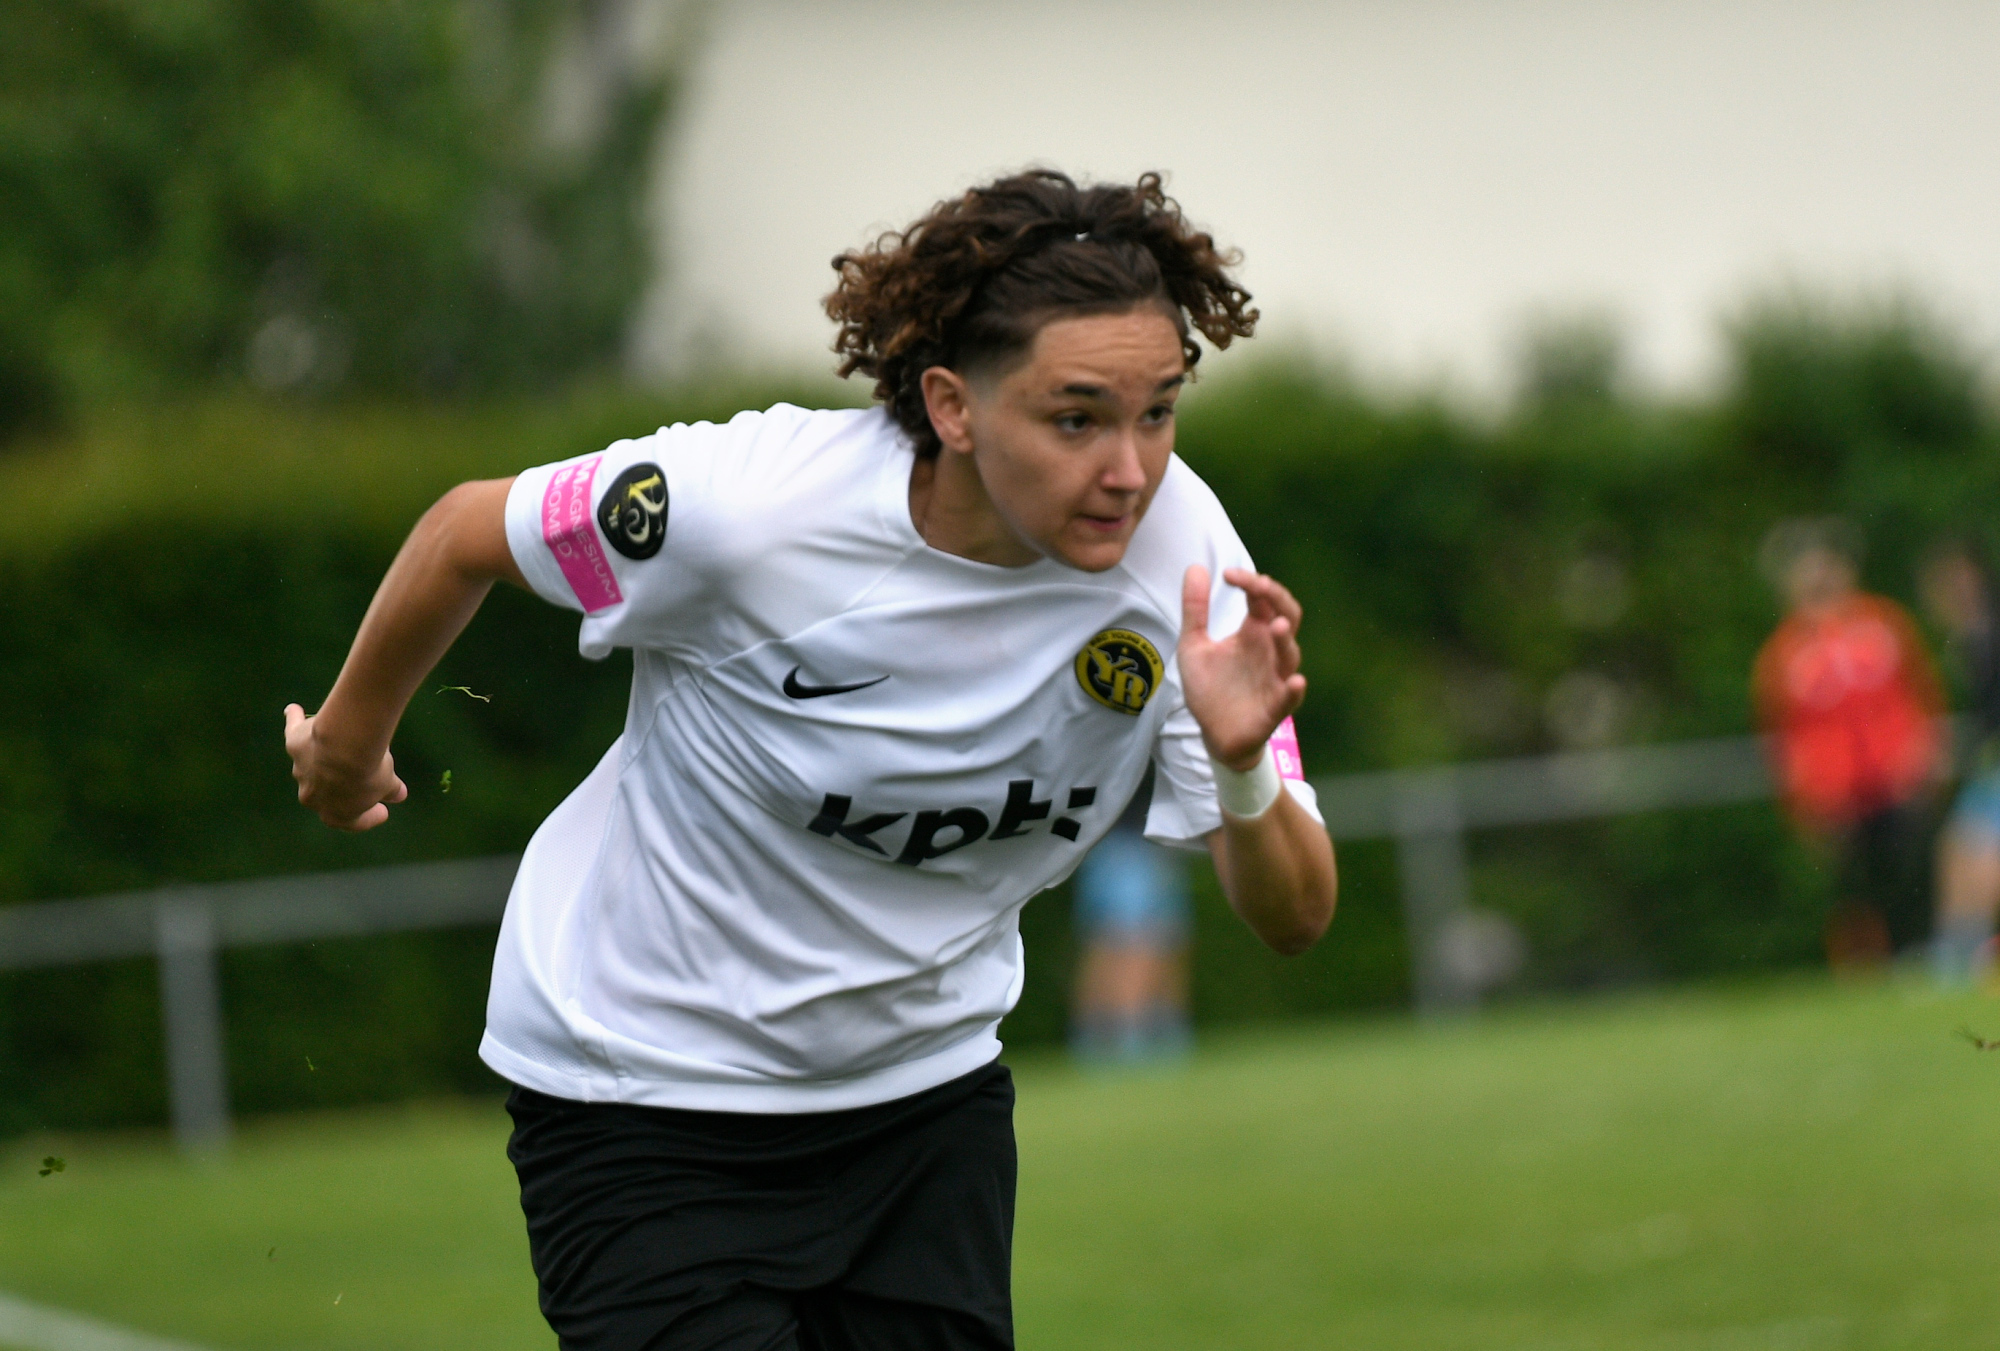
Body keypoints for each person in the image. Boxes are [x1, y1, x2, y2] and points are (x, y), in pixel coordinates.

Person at [282, 169, 1336, 1351]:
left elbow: (1295, 915)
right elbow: (464, 532)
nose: (1130, 469)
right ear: (951, 406)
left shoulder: (1184, 563)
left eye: (1158, 411)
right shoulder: (744, 512)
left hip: (924, 1107)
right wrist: (347, 745)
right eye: (1076, 418)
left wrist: (1241, 768)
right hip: (642, 1093)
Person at [1752, 521, 1944, 969]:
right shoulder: (1783, 650)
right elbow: (1780, 734)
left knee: (1909, 869)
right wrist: (1803, 799)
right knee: (1852, 885)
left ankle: (1922, 956)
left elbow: (1920, 692)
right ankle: (1863, 963)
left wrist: (1924, 754)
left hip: (1894, 774)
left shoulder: (1884, 623)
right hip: (1834, 789)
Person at [1070, 768, 1193, 1063]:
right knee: (1134, 945)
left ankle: (1097, 1041)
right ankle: (1128, 1044)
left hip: (1127, 844)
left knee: (1119, 946)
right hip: (1127, 844)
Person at [1918, 541, 2000, 985]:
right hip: (1991, 762)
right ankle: (1956, 949)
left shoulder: (1988, 633)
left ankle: (1968, 951)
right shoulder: (1972, 637)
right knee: (1958, 844)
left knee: (1983, 850)